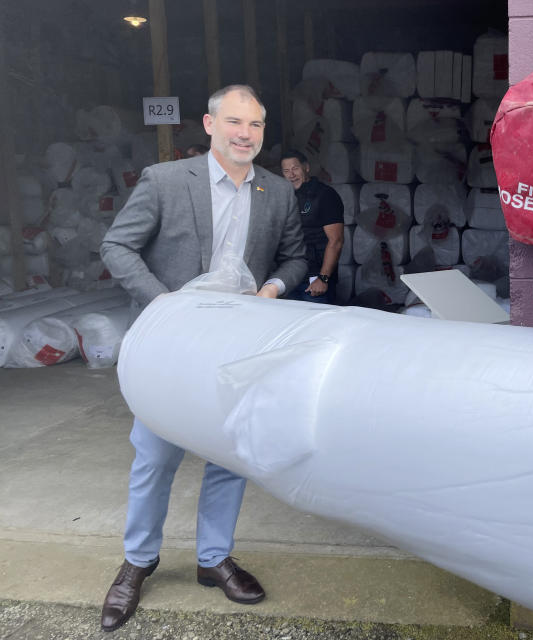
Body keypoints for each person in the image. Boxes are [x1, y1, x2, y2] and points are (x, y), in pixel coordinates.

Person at [98, 85, 306, 632]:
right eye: (235, 122)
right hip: (173, 341)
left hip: (237, 342)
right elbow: (117, 246)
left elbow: (296, 255)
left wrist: (272, 290)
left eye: (256, 125)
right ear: (209, 126)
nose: (246, 134)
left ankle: (213, 558)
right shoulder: (166, 181)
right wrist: (164, 302)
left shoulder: (276, 191)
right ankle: (137, 562)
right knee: (155, 456)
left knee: (229, 456)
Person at [279, 150, 344, 304]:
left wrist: (323, 278)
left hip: (315, 280)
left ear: (306, 167)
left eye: (295, 169)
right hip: (288, 277)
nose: (291, 175)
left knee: (319, 327)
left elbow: (336, 241)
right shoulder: (283, 197)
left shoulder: (325, 195)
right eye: (286, 171)